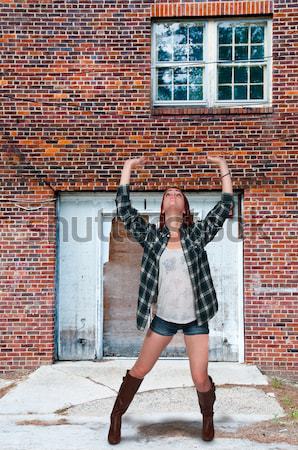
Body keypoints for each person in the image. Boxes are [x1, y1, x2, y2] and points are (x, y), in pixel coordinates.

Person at [108, 155, 234, 444]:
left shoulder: (198, 235)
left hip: (195, 320)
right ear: (163, 208)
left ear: (185, 207)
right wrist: (127, 168)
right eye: (168, 195)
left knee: (200, 379)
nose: (173, 196)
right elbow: (125, 211)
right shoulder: (152, 238)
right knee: (140, 369)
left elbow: (225, 205)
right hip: (163, 319)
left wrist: (223, 167)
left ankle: (208, 416)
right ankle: (116, 417)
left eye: (179, 194)